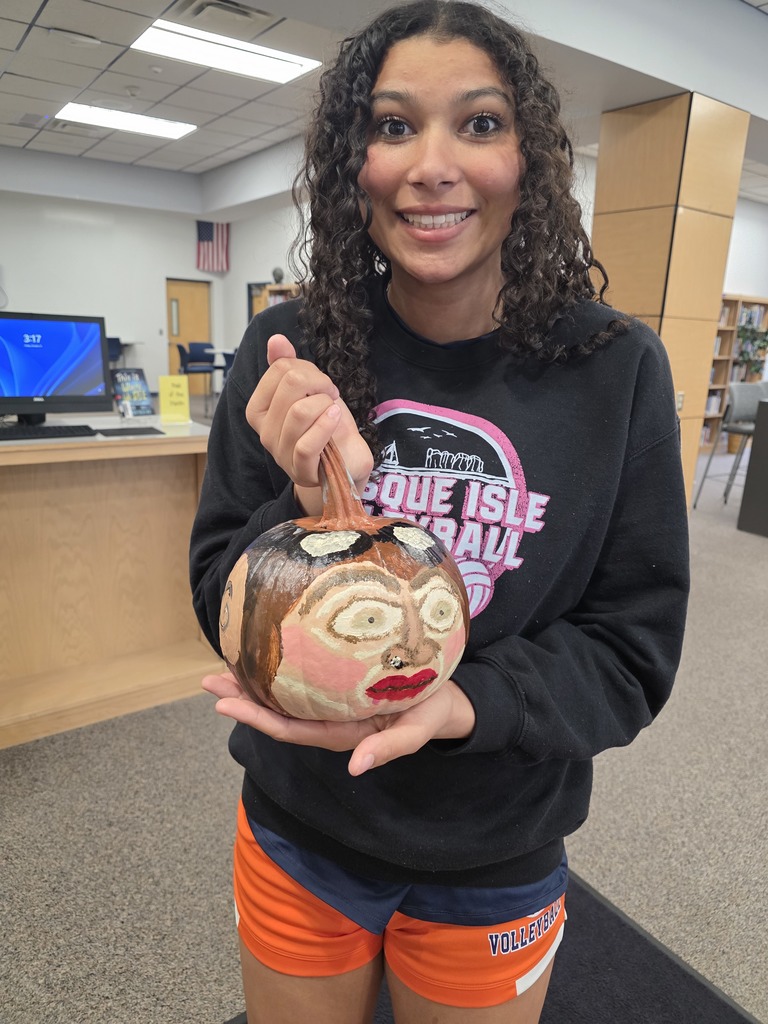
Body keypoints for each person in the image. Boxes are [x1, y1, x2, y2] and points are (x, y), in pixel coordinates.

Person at [190, 1, 690, 1021]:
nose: (431, 164)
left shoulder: (615, 371)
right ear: (352, 164)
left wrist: (464, 706)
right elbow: (216, 590)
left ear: (529, 158)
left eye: (479, 123)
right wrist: (302, 499)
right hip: (304, 822)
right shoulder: (291, 350)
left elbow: (633, 648)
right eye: (390, 125)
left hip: (497, 838)